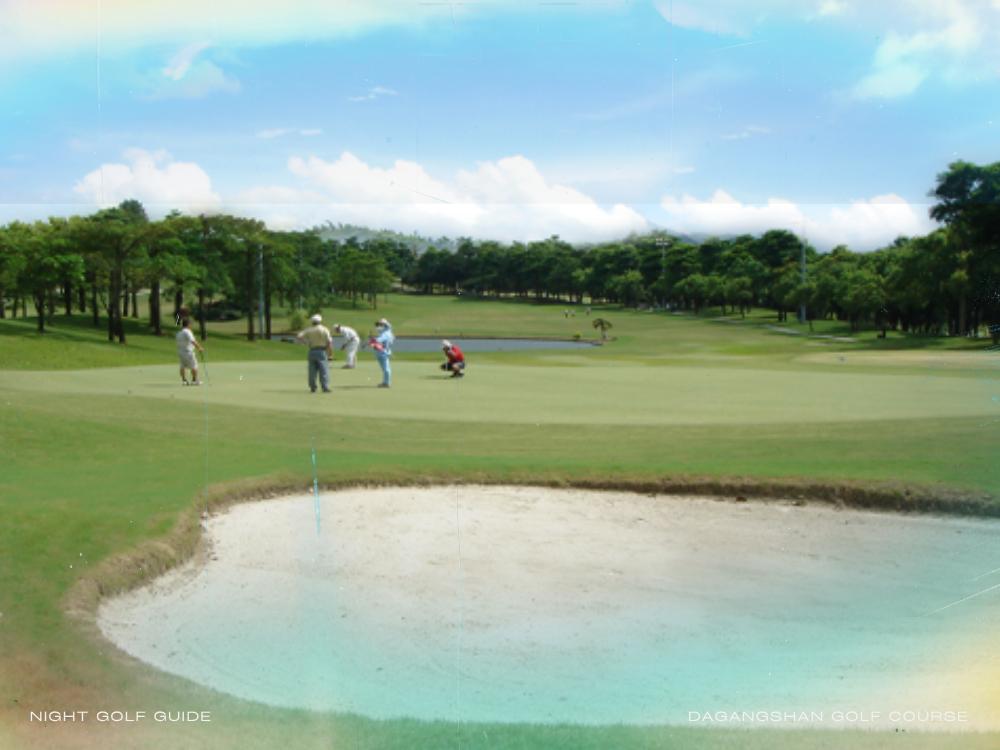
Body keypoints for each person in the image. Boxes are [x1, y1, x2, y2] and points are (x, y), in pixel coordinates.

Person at [296, 314, 334, 393]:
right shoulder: (324, 329)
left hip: (312, 350)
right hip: (322, 351)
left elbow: (299, 336)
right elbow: (329, 342)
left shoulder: (309, 330)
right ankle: (325, 386)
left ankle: (313, 387)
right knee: (323, 370)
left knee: (312, 370)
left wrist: (306, 343)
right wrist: (330, 353)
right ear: (320, 321)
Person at [366, 318, 394, 388]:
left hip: (383, 352)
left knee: (386, 368)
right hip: (383, 351)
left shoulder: (385, 333)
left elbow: (379, 340)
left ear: (385, 325)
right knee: (385, 368)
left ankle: (386, 383)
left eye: (381, 325)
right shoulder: (387, 332)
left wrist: (373, 341)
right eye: (378, 325)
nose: (378, 326)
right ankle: (386, 382)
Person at [176, 318, 204, 385]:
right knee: (194, 365)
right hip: (187, 351)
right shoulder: (187, 332)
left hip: (180, 351)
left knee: (182, 366)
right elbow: (192, 340)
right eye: (190, 324)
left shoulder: (179, 332)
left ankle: (184, 381)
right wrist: (199, 347)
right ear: (188, 324)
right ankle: (194, 380)